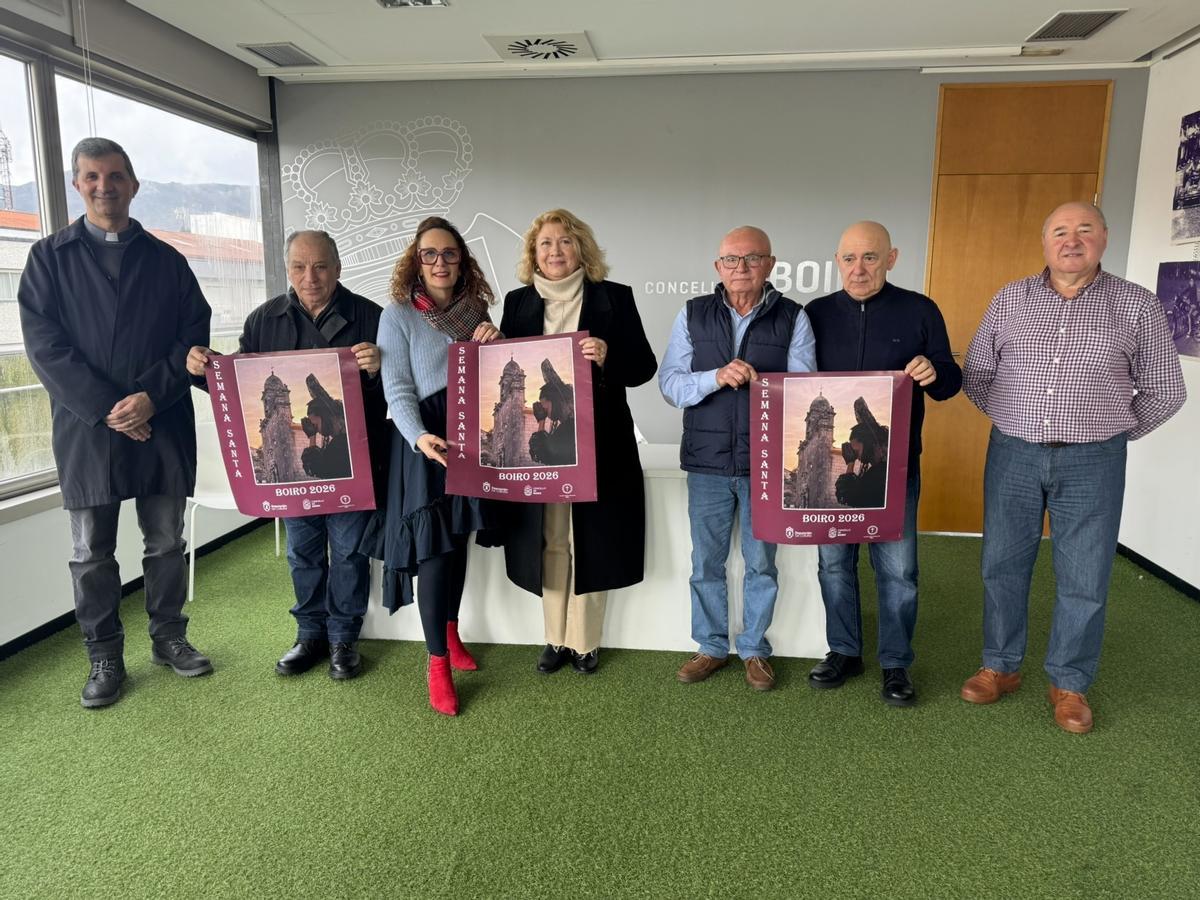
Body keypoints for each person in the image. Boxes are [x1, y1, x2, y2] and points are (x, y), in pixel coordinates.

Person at [961, 201, 1186, 733]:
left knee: (1084, 575)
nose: (1071, 240)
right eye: (1059, 231)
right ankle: (1000, 666)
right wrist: (1017, 419)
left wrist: (1111, 432)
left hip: (1094, 460)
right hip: (1013, 452)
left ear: (1104, 239)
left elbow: (1165, 390)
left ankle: (1070, 681)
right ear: (1044, 243)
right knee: (1002, 563)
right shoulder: (1011, 299)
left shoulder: (1136, 306)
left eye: (1084, 229)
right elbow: (978, 373)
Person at [18, 137, 212, 708]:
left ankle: (169, 638)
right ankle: (103, 655)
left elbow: (192, 339)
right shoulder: (48, 260)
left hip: (162, 423)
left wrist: (150, 397)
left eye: (115, 176)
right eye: (92, 177)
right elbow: (45, 348)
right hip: (86, 431)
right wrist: (111, 408)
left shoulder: (168, 261)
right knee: (90, 554)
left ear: (134, 184)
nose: (105, 187)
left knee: (165, 543)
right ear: (77, 185)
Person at [187, 230, 389, 681]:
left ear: (338, 268)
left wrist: (379, 368)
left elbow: (396, 389)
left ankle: (343, 639)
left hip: (352, 463)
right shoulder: (264, 320)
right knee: (303, 553)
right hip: (293, 472)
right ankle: (308, 635)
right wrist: (205, 369)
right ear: (288, 270)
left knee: (350, 552)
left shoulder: (371, 317)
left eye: (320, 266)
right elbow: (238, 381)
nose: (310, 277)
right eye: (299, 267)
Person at [804, 221, 962, 706]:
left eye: (870, 257)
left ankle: (896, 663)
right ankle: (844, 650)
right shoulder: (814, 314)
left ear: (891, 259)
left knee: (898, 571)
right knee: (834, 564)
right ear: (836, 261)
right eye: (850, 258)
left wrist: (933, 371)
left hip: (896, 471)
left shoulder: (920, 310)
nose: (859, 268)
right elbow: (797, 380)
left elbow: (950, 381)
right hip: (846, 474)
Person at [500, 209, 658, 675]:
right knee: (549, 537)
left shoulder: (615, 298)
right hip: (544, 444)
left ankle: (585, 641)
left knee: (591, 537)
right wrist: (490, 340)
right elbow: (504, 371)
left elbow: (644, 368)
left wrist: (609, 357)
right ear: (534, 254)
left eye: (565, 242)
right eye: (545, 244)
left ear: (581, 249)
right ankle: (555, 638)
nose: (554, 252)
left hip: (600, 444)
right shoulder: (516, 303)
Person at [660, 226, 816, 691]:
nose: (741, 268)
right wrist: (714, 377)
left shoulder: (794, 317)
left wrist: (762, 383)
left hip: (766, 465)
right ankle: (710, 647)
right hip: (706, 463)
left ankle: (753, 649)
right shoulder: (693, 314)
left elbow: (805, 391)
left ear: (770, 264)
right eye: (731, 260)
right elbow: (670, 385)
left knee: (761, 563)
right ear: (717, 267)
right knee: (705, 562)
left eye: (752, 259)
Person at [377, 216, 502, 715]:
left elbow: (495, 374)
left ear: (462, 259)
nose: (440, 262)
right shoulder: (398, 315)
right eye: (430, 253)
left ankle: (451, 635)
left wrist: (497, 340)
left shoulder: (478, 311)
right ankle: (435, 664)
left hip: (473, 432)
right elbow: (397, 387)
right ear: (416, 259)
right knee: (434, 548)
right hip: (427, 438)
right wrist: (418, 436)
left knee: (460, 536)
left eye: (449, 253)